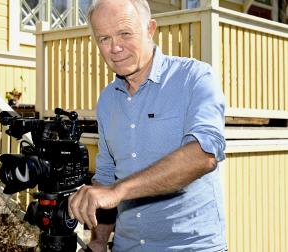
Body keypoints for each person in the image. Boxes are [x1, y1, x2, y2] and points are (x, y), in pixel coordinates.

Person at [68, 0, 227, 251]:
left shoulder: (194, 77)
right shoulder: (107, 100)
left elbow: (203, 155)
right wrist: (98, 240)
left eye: (125, 34)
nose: (115, 48)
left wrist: (118, 191)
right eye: (104, 39)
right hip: (126, 246)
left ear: (150, 29)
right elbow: (106, 179)